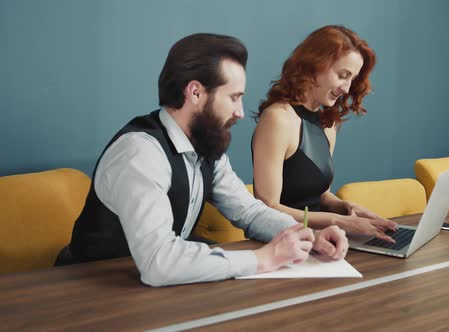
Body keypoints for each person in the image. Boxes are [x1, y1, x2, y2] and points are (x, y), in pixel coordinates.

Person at [55, 33, 348, 286]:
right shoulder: (140, 152)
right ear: (195, 92)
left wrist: (306, 236)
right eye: (234, 97)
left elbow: (249, 212)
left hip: (154, 283)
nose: (240, 112)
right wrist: (263, 258)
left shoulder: (206, 146)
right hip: (93, 290)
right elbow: (159, 261)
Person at [252, 25, 398, 242]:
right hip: (279, 241)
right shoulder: (278, 119)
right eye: (342, 75)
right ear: (314, 66)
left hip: (319, 239)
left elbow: (320, 195)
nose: (347, 88)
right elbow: (268, 207)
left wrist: (346, 207)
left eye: (352, 78)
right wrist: (337, 221)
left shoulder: (327, 124)